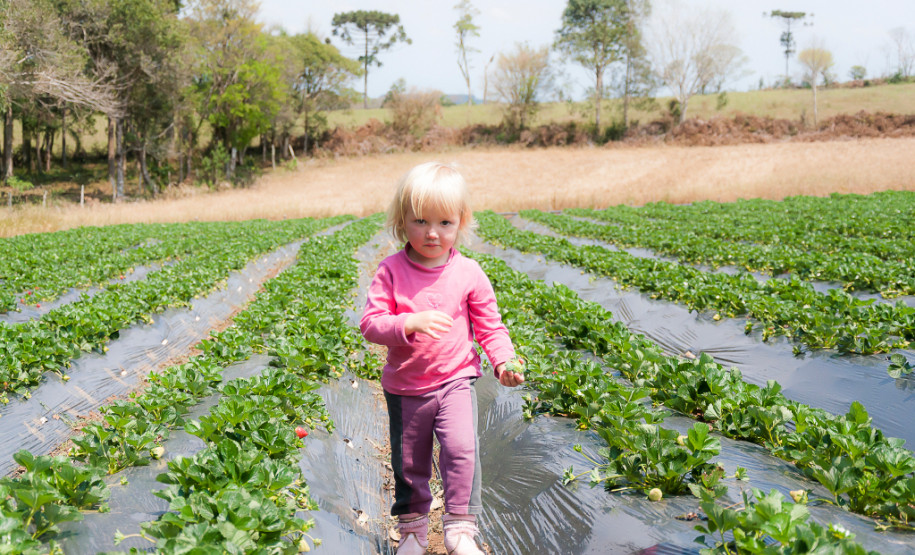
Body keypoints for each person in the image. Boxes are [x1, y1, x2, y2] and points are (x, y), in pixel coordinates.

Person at [360, 161, 524, 555]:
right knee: (409, 462)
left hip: (456, 380)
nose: (432, 232)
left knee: (462, 448)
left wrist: (503, 361)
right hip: (406, 386)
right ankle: (414, 531)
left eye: (445, 223)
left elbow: (490, 327)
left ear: (461, 222)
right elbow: (370, 324)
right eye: (420, 221)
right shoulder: (391, 272)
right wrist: (408, 323)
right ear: (402, 222)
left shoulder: (469, 272)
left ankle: (460, 529)